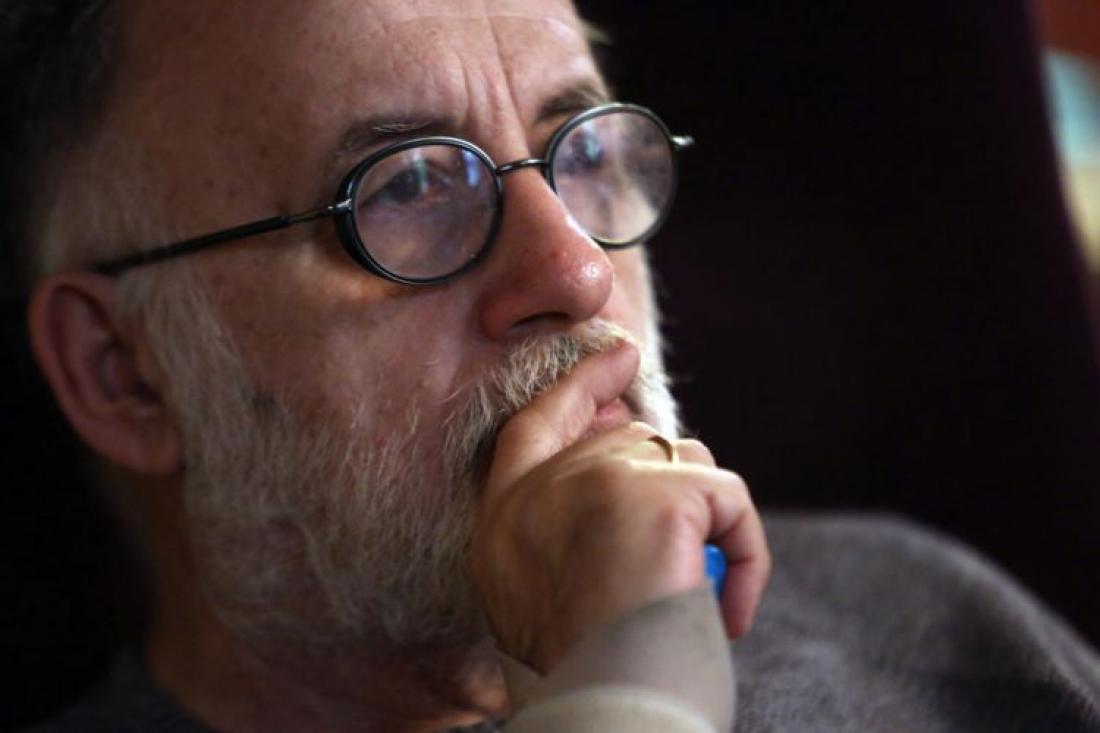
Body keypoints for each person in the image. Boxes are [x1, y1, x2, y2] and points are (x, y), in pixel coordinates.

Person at [7, 1, 1099, 731]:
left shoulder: (920, 603)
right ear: (123, 371)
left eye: (580, 152)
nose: (577, 273)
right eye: (406, 186)